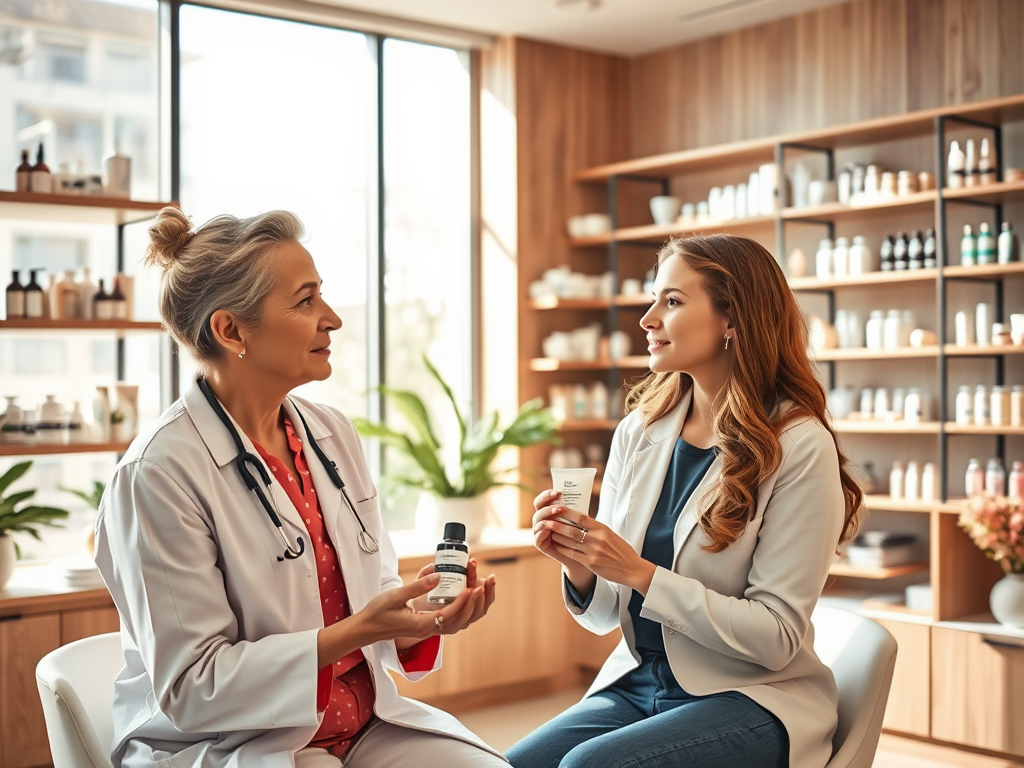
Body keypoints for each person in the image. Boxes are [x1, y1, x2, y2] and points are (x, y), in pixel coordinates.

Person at [94, 207, 508, 768]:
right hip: (231, 742)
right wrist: (353, 631)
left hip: (363, 722)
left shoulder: (331, 433)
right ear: (230, 330)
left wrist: (420, 621)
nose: (332, 319)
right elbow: (194, 685)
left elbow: (372, 588)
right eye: (306, 300)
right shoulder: (159, 473)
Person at [507, 235, 864, 768]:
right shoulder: (640, 431)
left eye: (672, 301)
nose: (647, 318)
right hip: (640, 685)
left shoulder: (797, 443)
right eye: (654, 300)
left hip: (754, 698)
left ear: (732, 319)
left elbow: (776, 637)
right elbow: (606, 614)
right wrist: (580, 565)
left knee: (588, 767)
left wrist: (643, 574)